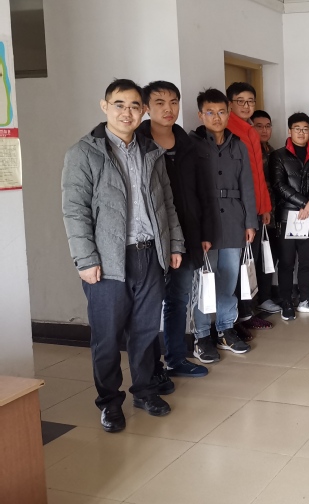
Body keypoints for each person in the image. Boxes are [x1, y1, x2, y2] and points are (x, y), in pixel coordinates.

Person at [62, 79, 184, 432]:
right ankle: (109, 402)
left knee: (145, 331)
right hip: (107, 261)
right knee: (107, 336)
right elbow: (74, 210)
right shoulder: (83, 153)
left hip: (149, 254)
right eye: (119, 105)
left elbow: (166, 203)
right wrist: (85, 259)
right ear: (105, 106)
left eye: (134, 106)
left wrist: (174, 244)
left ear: (143, 111)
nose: (127, 113)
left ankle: (144, 391)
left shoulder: (151, 151)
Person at [138, 81, 210, 390]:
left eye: (173, 102)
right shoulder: (138, 143)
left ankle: (176, 358)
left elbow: (202, 192)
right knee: (149, 305)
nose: (168, 109)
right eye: (160, 102)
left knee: (178, 299)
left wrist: (205, 232)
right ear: (146, 107)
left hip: (187, 234)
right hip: (151, 238)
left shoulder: (188, 144)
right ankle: (151, 369)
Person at [190, 89, 257, 362]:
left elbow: (247, 186)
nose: (216, 117)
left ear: (228, 113)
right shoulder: (192, 145)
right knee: (205, 280)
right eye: (210, 112)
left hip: (233, 219)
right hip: (204, 221)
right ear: (200, 115)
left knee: (229, 278)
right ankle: (201, 335)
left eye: (221, 112)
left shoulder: (238, 145)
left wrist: (250, 222)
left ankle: (226, 329)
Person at [270, 112, 309, 319]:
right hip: (287, 217)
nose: (301, 133)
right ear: (290, 131)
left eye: (305, 129)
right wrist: (305, 203)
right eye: (297, 129)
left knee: (308, 260)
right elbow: (279, 185)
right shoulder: (279, 155)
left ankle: (306, 299)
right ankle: (287, 302)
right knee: (287, 262)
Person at [225, 82, 272, 333]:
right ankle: (235, 319)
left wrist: (264, 208)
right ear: (230, 103)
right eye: (240, 101)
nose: (246, 105)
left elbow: (258, 178)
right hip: (238, 211)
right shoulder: (228, 130)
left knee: (249, 264)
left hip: (254, 209)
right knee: (237, 267)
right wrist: (247, 217)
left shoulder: (251, 130)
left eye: (250, 101)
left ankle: (247, 312)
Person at [251, 110, 281, 315]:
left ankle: (266, 296)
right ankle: (257, 301)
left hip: (275, 214)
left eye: (267, 126)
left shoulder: (273, 153)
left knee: (271, 256)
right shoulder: (250, 152)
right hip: (258, 214)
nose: (264, 130)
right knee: (258, 258)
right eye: (259, 126)